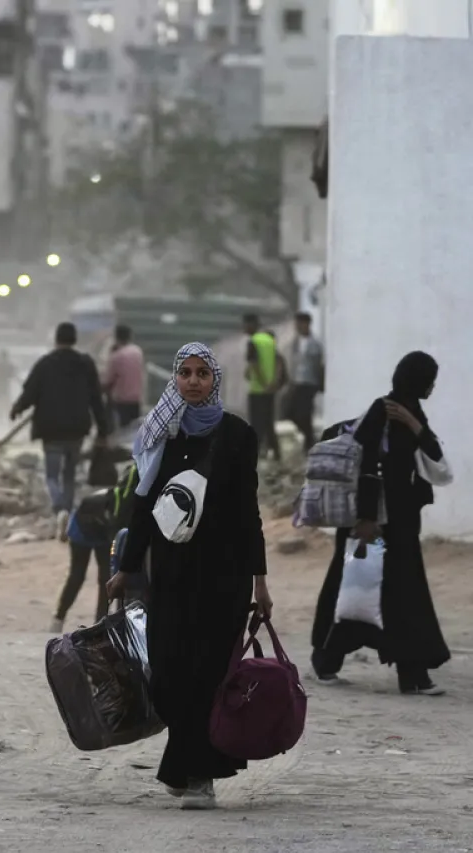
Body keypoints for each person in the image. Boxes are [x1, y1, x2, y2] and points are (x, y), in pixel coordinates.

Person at [107, 342, 271, 811]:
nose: (194, 381)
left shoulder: (238, 434)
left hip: (224, 575)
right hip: (173, 573)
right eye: (186, 373)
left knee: (208, 674)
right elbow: (142, 506)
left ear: (214, 379)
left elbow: (248, 512)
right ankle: (186, 765)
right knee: (168, 673)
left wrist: (260, 580)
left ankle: (200, 777)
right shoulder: (163, 434)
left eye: (202, 373)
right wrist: (126, 568)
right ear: (175, 378)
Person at [310, 351, 450, 696]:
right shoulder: (381, 412)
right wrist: (367, 519)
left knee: (401, 596)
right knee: (353, 591)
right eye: (429, 380)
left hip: (399, 525)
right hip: (371, 524)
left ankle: (412, 674)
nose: (432, 386)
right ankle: (326, 662)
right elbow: (367, 466)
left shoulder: (412, 415)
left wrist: (416, 426)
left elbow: (439, 468)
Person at [10, 322, 109, 535]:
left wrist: (17, 408)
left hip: (51, 429)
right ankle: (68, 514)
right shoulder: (85, 364)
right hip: (77, 429)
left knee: (52, 475)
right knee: (69, 475)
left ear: (56, 339)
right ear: (75, 340)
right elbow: (96, 399)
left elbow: (30, 393)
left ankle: (59, 509)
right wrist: (103, 430)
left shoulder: (45, 364)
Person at [51, 464, 139, 633]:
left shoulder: (125, 501)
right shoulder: (122, 506)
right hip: (83, 526)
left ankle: (100, 624)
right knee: (77, 575)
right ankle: (59, 619)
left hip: (103, 531)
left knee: (106, 577)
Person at [243, 314, 281, 461]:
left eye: (246, 325)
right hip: (270, 390)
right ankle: (276, 453)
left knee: (256, 423)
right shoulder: (270, 340)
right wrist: (274, 382)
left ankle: (256, 453)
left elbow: (254, 364)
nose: (244, 328)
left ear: (252, 324)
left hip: (258, 389)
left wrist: (263, 383)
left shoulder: (253, 342)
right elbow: (278, 362)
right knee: (268, 422)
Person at [285, 312, 324, 452]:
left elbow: (318, 365)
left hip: (309, 383)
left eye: (300, 323)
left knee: (305, 413)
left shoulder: (315, 344)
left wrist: (320, 383)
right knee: (290, 413)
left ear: (307, 324)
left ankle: (309, 443)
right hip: (297, 382)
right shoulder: (295, 343)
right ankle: (310, 438)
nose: (297, 327)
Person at [104, 325, 145, 428]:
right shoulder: (138, 352)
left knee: (122, 429)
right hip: (136, 398)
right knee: (134, 429)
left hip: (121, 401)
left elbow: (108, 380)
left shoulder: (116, 356)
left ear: (116, 338)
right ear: (130, 336)